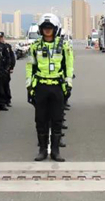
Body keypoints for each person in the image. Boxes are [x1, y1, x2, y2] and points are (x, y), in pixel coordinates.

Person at [26, 14, 72, 162]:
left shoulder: (64, 46)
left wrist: (69, 84)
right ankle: (42, 150)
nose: (47, 30)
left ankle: (55, 151)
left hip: (57, 86)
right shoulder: (35, 47)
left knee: (57, 119)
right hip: (41, 86)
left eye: (50, 27)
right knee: (41, 120)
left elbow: (69, 66)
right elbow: (30, 66)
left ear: (55, 29)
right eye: (45, 27)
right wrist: (29, 86)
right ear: (40, 29)